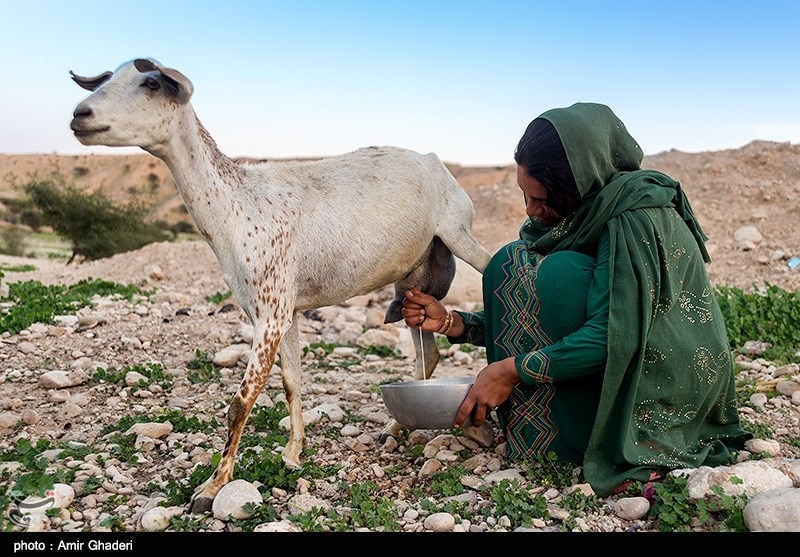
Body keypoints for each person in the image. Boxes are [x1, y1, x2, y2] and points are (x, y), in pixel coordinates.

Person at [401, 102, 752, 497]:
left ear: (579, 181)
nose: (532, 211)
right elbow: (537, 309)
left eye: (543, 198)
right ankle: (546, 428)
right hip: (611, 353)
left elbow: (611, 335)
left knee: (559, 272)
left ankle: (588, 437)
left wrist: (509, 371)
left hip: (660, 379)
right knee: (510, 260)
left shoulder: (635, 215)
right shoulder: (584, 212)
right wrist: (455, 323)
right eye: (525, 196)